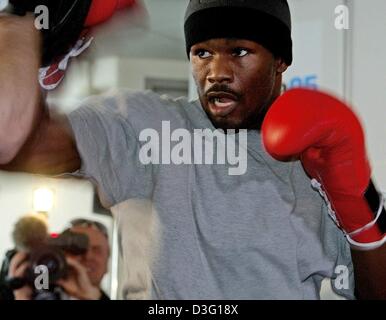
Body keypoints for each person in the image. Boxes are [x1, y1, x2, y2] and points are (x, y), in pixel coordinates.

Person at [0, 0, 385, 300]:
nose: (216, 71)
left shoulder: (317, 159)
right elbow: (13, 141)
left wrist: (362, 215)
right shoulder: (142, 125)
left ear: (280, 61)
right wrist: (25, 29)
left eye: (239, 52)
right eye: (202, 53)